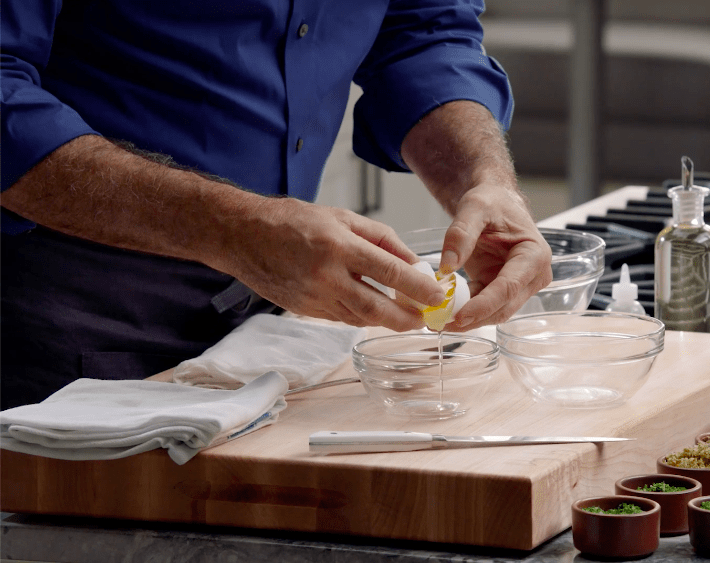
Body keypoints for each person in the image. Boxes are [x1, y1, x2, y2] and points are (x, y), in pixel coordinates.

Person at [0, 1, 553, 409]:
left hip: (261, 326)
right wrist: (232, 229)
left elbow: (423, 31)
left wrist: (485, 179)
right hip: (50, 322)